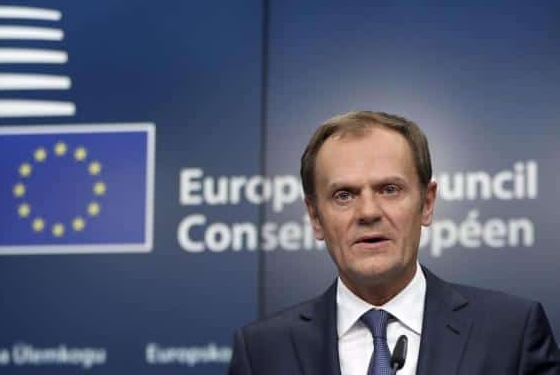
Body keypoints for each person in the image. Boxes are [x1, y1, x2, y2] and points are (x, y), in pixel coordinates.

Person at [228, 111, 560, 375]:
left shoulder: (511, 333)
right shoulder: (262, 353)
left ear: (427, 203)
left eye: (390, 189)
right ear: (315, 217)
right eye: (344, 195)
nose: (368, 212)